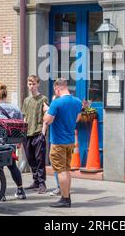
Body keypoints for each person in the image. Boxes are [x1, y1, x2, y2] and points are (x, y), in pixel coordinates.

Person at [43, 78, 82, 208]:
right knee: (66, 169)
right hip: (70, 141)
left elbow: (47, 121)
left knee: (61, 171)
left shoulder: (56, 102)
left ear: (57, 88)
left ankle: (65, 199)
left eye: (55, 90)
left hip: (58, 141)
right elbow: (77, 119)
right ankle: (67, 196)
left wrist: (46, 110)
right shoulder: (77, 101)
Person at [22, 75, 48, 194]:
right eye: (29, 84)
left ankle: (42, 183)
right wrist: (22, 133)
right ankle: (35, 181)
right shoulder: (26, 100)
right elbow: (25, 117)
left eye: (33, 84)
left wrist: (43, 132)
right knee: (30, 158)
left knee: (39, 159)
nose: (31, 86)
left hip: (38, 132)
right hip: (27, 133)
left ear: (38, 84)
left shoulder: (43, 99)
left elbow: (45, 117)